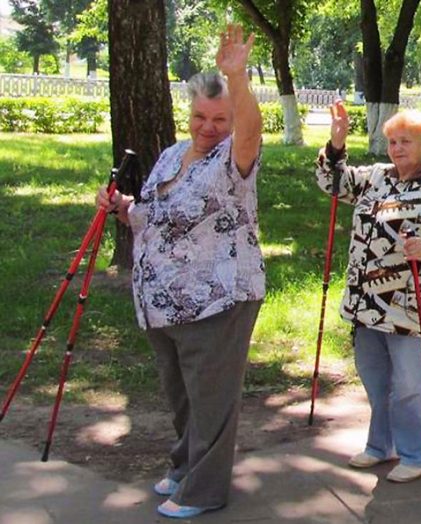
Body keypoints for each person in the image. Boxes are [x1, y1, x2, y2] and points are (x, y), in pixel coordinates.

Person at [95, 25, 264, 519]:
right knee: (183, 394)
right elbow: (150, 214)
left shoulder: (235, 158)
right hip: (163, 302)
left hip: (218, 299)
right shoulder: (172, 156)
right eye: (200, 116)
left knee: (211, 398)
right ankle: (186, 463)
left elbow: (250, 130)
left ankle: (204, 490)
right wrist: (122, 205)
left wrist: (238, 80)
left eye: (219, 119)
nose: (208, 126)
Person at [314, 104, 421, 483]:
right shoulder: (376, 177)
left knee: (409, 384)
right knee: (375, 378)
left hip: (409, 305)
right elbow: (333, 183)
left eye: (406, 141)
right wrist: (336, 145)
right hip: (366, 302)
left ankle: (418, 453)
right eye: (392, 141)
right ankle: (380, 445)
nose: (397, 148)